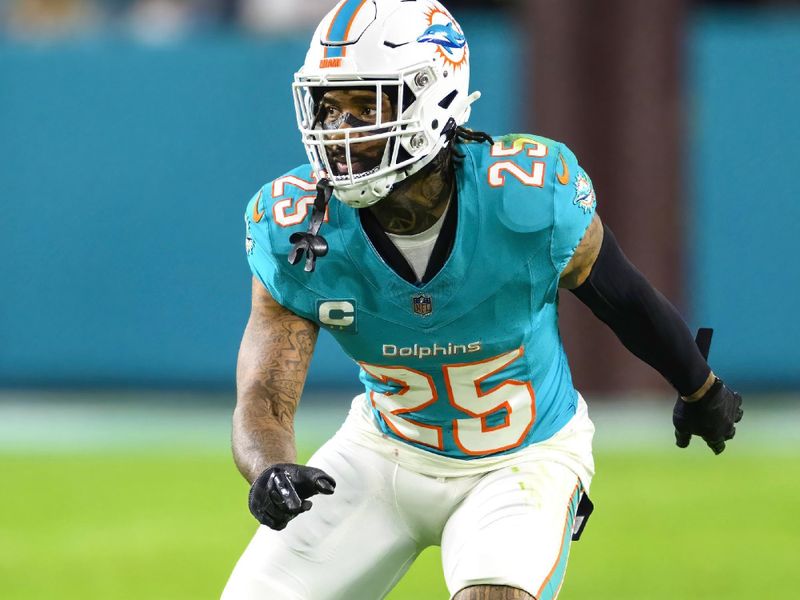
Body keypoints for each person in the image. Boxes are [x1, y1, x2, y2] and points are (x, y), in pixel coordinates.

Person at [221, 1, 743, 598]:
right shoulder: (294, 228)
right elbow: (262, 397)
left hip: (520, 458)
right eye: (329, 107)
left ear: (433, 97)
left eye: (367, 106)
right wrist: (270, 469)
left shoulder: (523, 199)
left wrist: (700, 386)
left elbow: (620, 295)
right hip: (383, 449)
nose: (340, 130)